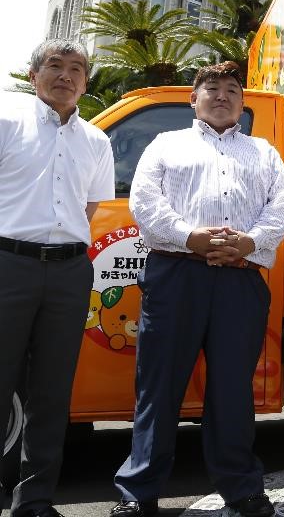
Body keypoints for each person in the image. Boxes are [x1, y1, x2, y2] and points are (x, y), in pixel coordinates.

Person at [110, 62, 284, 517]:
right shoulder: (165, 144)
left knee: (233, 388)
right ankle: (139, 493)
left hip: (240, 279)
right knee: (159, 386)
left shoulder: (264, 152)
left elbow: (282, 204)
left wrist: (249, 242)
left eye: (233, 89)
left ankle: (242, 488)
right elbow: (144, 201)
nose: (222, 95)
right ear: (193, 99)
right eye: (211, 88)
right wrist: (189, 236)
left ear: (242, 103)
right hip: (175, 275)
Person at [0, 39, 115, 517]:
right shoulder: (6, 119)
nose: (66, 76)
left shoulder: (96, 140)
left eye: (77, 69)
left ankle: (36, 499)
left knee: (52, 391)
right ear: (34, 74)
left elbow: (89, 206)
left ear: (86, 83)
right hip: (9, 264)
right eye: (55, 66)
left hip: (69, 270)